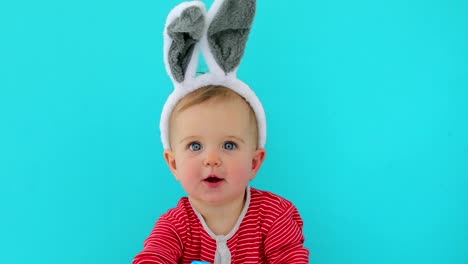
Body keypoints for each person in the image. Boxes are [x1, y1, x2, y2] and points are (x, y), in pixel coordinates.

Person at [133, 0, 309, 263]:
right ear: (173, 163)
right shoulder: (175, 226)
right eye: (195, 146)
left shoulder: (274, 217)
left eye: (228, 145)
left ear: (254, 162)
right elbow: (152, 257)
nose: (211, 159)